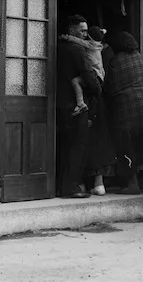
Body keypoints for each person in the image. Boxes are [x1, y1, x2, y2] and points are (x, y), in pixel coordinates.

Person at [105, 32, 143, 194]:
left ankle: (132, 183)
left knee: (126, 146)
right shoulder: (138, 57)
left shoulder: (116, 61)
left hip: (127, 108)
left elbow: (110, 88)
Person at [56, 15, 101, 198]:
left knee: (66, 145)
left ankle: (61, 185)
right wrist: (97, 87)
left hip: (61, 102)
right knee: (78, 146)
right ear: (72, 29)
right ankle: (71, 187)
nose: (85, 34)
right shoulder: (78, 50)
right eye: (82, 30)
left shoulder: (59, 46)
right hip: (77, 105)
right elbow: (88, 75)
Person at [60, 26, 107, 116]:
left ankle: (80, 103)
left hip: (94, 74)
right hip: (100, 75)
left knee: (75, 81)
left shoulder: (91, 45)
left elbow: (78, 41)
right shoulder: (98, 45)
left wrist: (67, 37)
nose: (85, 35)